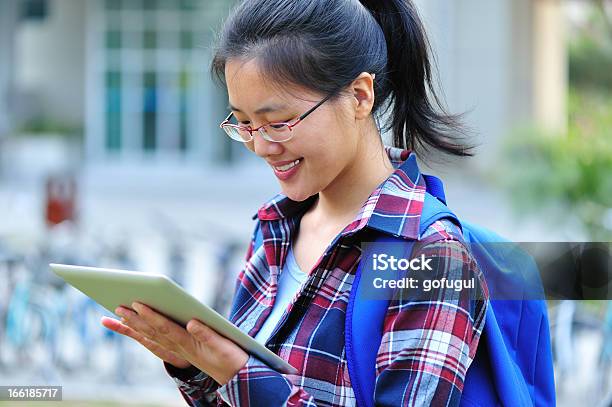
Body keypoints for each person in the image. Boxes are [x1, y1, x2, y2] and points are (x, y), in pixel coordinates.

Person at [101, 0, 489, 405]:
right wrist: (195, 364)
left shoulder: (430, 255)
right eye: (245, 124)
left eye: (279, 122)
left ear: (359, 96)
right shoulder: (276, 226)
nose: (261, 146)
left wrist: (237, 373)